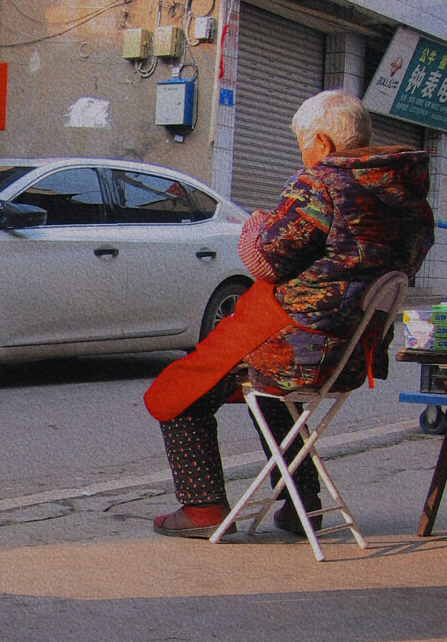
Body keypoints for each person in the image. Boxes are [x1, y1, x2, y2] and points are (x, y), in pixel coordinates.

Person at [148, 89, 435, 538]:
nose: (303, 155)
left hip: (299, 348)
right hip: (351, 354)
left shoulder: (323, 184)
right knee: (270, 395)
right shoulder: (409, 198)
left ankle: (203, 509)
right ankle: (303, 505)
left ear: (322, 142)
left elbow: (266, 259)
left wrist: (255, 224)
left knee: (179, 389)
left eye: (303, 143)